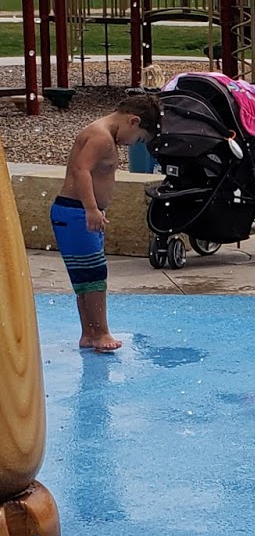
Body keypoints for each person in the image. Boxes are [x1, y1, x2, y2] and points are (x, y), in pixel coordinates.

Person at [49, 92, 161, 353]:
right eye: (139, 139)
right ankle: (100, 333)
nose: (133, 144)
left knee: (85, 277)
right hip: (77, 212)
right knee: (94, 276)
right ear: (133, 121)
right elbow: (81, 170)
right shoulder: (101, 136)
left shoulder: (102, 133)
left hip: (75, 212)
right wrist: (90, 209)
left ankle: (89, 332)